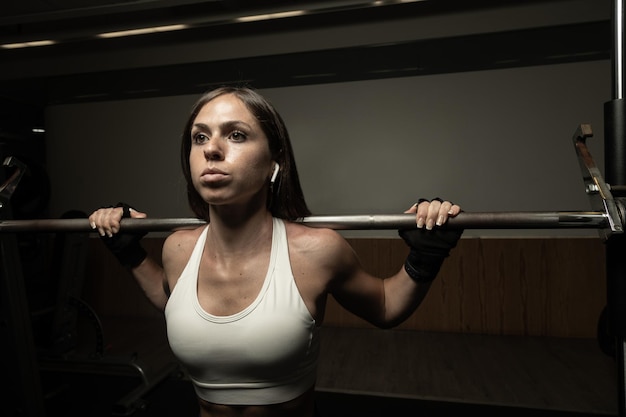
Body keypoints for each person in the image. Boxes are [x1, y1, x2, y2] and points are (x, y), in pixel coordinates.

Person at [89, 86, 463, 417]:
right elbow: (173, 300)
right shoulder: (177, 248)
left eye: (236, 135)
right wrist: (130, 255)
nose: (212, 150)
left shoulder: (316, 250)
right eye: (199, 138)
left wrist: (425, 256)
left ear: (274, 160)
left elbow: (384, 307)